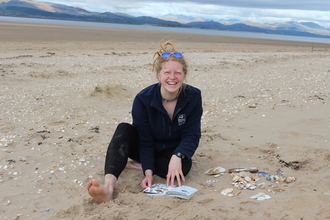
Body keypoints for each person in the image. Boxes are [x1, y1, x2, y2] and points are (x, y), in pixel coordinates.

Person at [87, 40, 203, 203]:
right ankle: (108, 188)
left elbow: (192, 134)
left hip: (170, 151)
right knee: (123, 129)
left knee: (183, 168)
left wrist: (178, 155)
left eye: (177, 73)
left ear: (184, 75)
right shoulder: (143, 99)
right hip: (144, 147)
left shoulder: (193, 96)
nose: (172, 78)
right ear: (158, 75)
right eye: (167, 72)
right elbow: (145, 140)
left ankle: (142, 164)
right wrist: (148, 173)